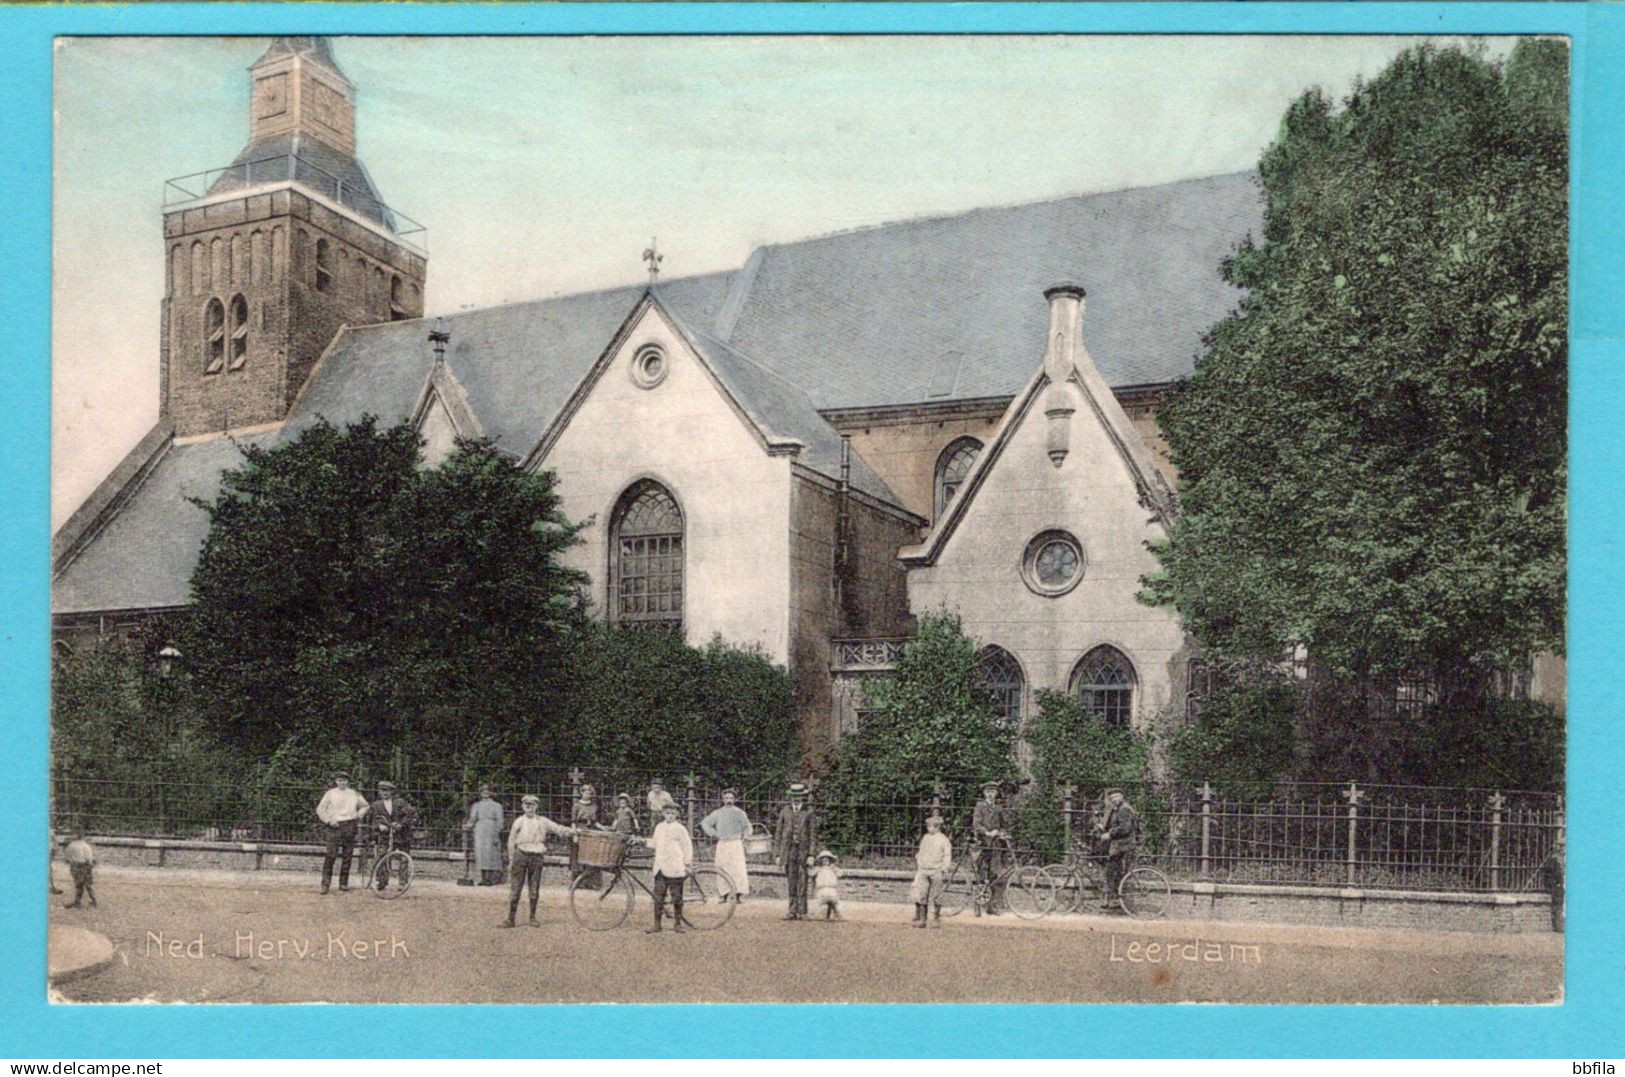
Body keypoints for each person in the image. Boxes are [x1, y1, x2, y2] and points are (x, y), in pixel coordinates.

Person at [504, 794, 576, 927]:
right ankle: (510, 919)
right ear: (523, 806)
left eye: (532, 805)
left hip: (536, 857)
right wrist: (511, 858)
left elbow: (558, 829)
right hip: (520, 855)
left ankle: (532, 917)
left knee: (534, 888)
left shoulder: (542, 821)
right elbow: (511, 841)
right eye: (527, 805)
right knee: (516, 888)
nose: (529, 808)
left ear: (536, 806)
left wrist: (574, 831)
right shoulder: (519, 821)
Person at [640, 801, 694, 933]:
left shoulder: (680, 829)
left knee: (677, 897)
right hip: (661, 866)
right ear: (663, 814)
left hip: (675, 867)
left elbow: (687, 846)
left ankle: (678, 924)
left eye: (673, 813)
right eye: (667, 813)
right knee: (658, 897)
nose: (670, 815)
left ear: (677, 815)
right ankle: (657, 924)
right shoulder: (659, 827)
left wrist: (687, 862)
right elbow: (654, 843)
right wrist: (643, 841)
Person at [314, 771, 368, 894]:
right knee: (330, 855)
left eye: (344, 780)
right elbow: (320, 809)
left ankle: (343, 883)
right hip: (334, 826)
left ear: (348, 781)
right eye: (339, 780)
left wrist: (358, 815)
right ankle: (325, 884)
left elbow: (365, 806)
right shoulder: (330, 793)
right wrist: (329, 820)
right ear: (336, 781)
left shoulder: (354, 793)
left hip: (349, 826)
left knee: (347, 856)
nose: (342, 783)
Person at [774, 781, 817, 920]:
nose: (796, 798)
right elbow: (778, 833)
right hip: (789, 850)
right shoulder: (785, 811)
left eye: (799, 796)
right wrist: (778, 854)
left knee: (803, 880)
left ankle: (803, 912)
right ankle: (792, 911)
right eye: (794, 796)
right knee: (791, 880)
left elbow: (813, 835)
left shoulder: (809, 812)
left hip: (803, 851)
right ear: (791, 797)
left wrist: (811, 854)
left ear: (803, 797)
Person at [700, 788, 752, 902]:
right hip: (723, 843)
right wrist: (714, 833)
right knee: (722, 867)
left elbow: (747, 827)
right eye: (727, 798)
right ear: (723, 800)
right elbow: (705, 823)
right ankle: (723, 894)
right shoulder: (718, 813)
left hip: (735, 844)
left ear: (734, 799)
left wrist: (745, 835)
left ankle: (738, 894)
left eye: (731, 798)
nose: (729, 800)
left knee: (737, 869)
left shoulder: (739, 813)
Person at [366, 780, 416, 890]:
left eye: (387, 791)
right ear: (379, 792)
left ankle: (402, 882)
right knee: (382, 856)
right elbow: (373, 820)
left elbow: (410, 813)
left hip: (401, 835)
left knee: (403, 858)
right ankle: (382, 881)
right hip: (385, 836)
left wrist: (401, 824)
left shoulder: (400, 802)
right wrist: (379, 826)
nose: (385, 793)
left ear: (392, 792)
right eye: (382, 791)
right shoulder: (376, 805)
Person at [972, 780, 1011, 915]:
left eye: (992, 792)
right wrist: (987, 832)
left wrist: (1003, 833)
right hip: (982, 843)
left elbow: (1003, 824)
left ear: (996, 793)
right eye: (988, 792)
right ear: (984, 793)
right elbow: (977, 824)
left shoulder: (998, 808)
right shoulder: (979, 807)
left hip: (995, 845)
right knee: (981, 874)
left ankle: (991, 906)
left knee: (994, 874)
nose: (990, 794)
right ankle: (977, 905)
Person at [1097, 787, 1138, 912]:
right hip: (1118, 845)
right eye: (1112, 798)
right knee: (1111, 871)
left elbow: (1124, 828)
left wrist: (1110, 834)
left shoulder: (1125, 809)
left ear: (1122, 796)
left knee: (1111, 871)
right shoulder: (1117, 809)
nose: (1114, 799)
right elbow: (1115, 825)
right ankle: (1112, 899)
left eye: (1116, 796)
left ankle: (1115, 900)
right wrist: (1103, 828)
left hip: (1124, 846)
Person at [910, 811, 953, 928]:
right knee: (922, 894)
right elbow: (921, 852)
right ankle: (922, 920)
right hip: (924, 870)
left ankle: (936, 919)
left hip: (936, 870)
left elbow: (947, 855)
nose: (929, 828)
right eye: (928, 826)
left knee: (937, 895)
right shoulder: (925, 838)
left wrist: (944, 868)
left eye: (931, 826)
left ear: (937, 827)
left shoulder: (943, 839)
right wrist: (920, 862)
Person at [464, 785, 505, 885]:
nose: (485, 793)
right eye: (483, 791)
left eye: (487, 790)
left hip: (491, 830)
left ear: (491, 792)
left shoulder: (497, 806)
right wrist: (468, 825)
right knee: (480, 853)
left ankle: (489, 878)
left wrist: (497, 832)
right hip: (480, 831)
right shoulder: (476, 805)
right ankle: (482, 878)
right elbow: (473, 819)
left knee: (490, 853)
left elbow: (500, 821)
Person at [570, 782, 604, 887]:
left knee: (590, 856)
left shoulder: (594, 806)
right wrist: (574, 834)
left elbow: (595, 822)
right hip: (580, 832)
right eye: (586, 793)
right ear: (581, 793)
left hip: (590, 832)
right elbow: (573, 821)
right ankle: (577, 882)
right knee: (578, 855)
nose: (588, 795)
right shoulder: (576, 806)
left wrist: (603, 828)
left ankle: (590, 882)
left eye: (590, 793)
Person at [62, 832, 97, 908]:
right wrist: (91, 866)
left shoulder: (70, 846)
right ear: (83, 837)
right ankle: (93, 901)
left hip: (75, 866)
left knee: (78, 885)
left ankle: (77, 902)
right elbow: (89, 858)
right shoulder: (86, 846)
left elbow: (66, 858)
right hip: (85, 866)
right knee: (88, 885)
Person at [812, 849, 842, 921]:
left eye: (827, 860)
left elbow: (840, 874)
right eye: (823, 860)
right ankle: (827, 915)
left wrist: (835, 868)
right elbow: (811, 873)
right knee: (824, 902)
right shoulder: (818, 869)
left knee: (832, 900)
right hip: (822, 889)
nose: (825, 862)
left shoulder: (832, 869)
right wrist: (810, 866)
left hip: (831, 889)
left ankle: (834, 914)